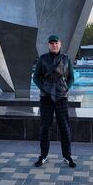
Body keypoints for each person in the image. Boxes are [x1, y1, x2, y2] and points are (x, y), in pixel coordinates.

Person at [32, 35, 76, 168]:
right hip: (46, 98)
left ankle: (67, 156)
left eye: (56, 43)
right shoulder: (42, 59)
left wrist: (66, 89)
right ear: (48, 45)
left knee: (65, 127)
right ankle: (43, 156)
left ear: (60, 44)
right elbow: (36, 77)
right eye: (51, 43)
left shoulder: (66, 59)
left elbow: (71, 78)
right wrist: (44, 88)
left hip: (61, 98)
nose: (54, 45)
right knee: (45, 127)